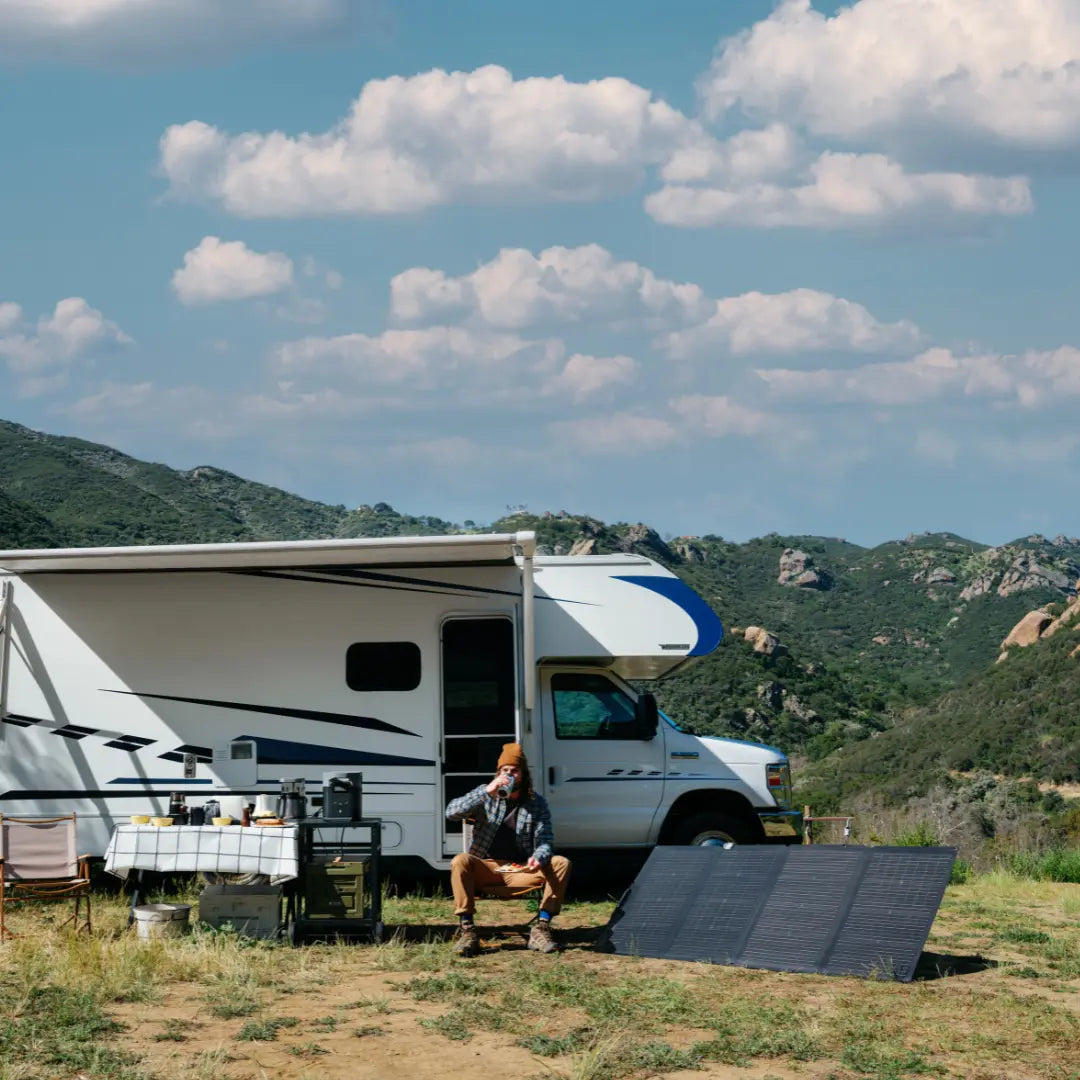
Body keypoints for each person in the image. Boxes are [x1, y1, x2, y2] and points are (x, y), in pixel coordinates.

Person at [445, 742, 571, 957]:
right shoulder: (485, 795)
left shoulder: (535, 802)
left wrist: (539, 856)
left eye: (514, 771)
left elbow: (545, 839)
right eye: (505, 771)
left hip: (520, 868)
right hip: (487, 867)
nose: (510, 775)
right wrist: (486, 791)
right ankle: (467, 931)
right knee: (460, 860)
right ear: (498, 773)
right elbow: (451, 813)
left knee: (561, 862)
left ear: (523, 774)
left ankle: (541, 928)